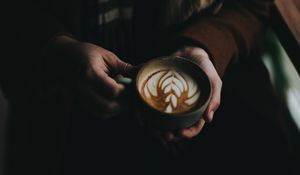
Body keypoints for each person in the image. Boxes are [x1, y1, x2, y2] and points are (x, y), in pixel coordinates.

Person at [1, 0, 295, 174]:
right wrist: (56, 48)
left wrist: (205, 46)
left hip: (227, 89)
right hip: (68, 112)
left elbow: (254, 4)